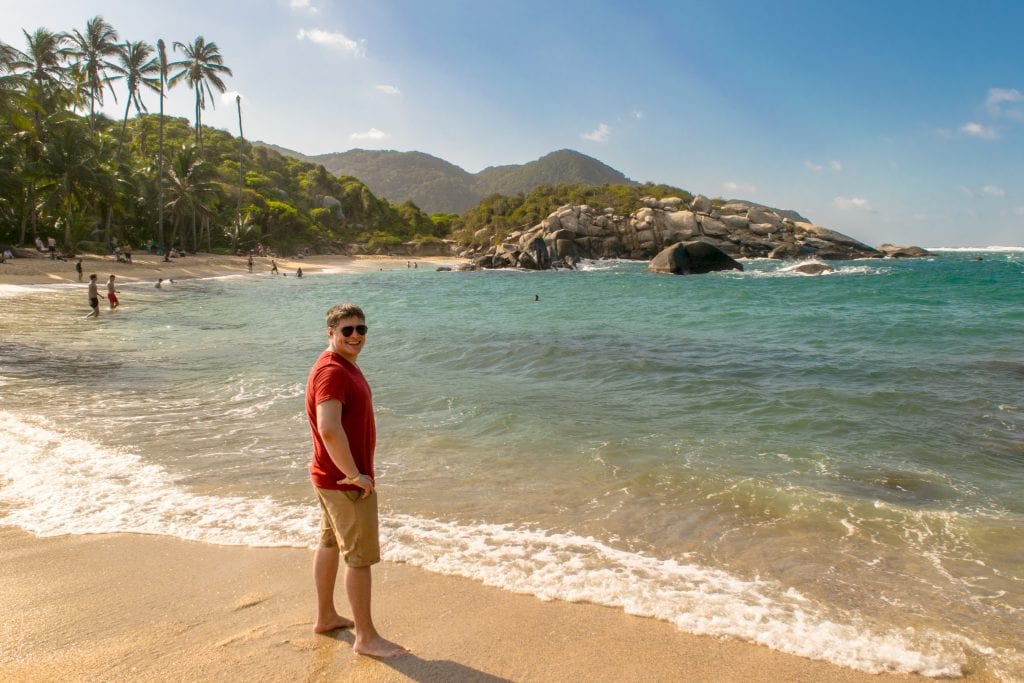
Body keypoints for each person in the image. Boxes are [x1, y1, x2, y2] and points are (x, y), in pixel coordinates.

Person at [305, 303, 408, 658]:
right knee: (359, 558)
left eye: (361, 329)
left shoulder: (336, 365)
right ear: (330, 332)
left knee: (331, 544)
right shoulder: (332, 372)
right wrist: (354, 475)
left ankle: (325, 616)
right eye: (347, 330)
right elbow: (329, 429)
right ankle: (366, 637)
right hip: (343, 482)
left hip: (328, 476)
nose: (355, 336)